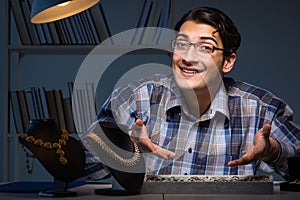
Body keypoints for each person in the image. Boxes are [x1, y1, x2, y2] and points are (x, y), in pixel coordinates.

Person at [92, 6, 300, 180]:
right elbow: (74, 168)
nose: (188, 57)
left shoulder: (262, 109)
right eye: (182, 44)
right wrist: (123, 148)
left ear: (228, 61)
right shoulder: (137, 98)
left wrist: (272, 151)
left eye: (205, 47)